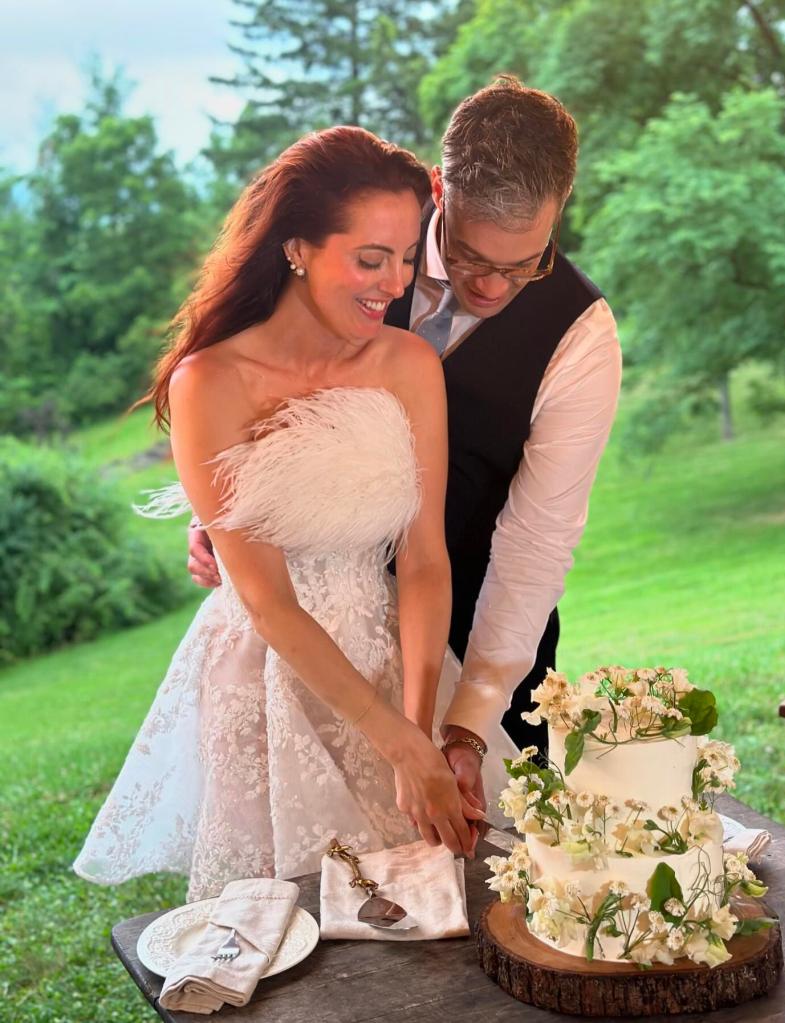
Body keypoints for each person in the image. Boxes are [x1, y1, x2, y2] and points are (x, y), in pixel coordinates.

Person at [73, 126, 517, 902]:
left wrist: (414, 734)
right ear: (297, 248)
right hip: (268, 673)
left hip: (393, 653)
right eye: (370, 258)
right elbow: (266, 599)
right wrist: (396, 745)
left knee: (440, 896)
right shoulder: (209, 381)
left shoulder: (407, 364)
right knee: (299, 920)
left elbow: (421, 560)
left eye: (408, 257)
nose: (394, 281)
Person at [188, 77, 622, 817]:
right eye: (471, 255)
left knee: (484, 869)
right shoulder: (356, 241)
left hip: (473, 623)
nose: (492, 286)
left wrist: (464, 723)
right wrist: (226, 519)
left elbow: (536, 543)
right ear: (436, 192)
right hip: (308, 633)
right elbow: (253, 400)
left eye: (525, 264)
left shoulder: (580, 337)